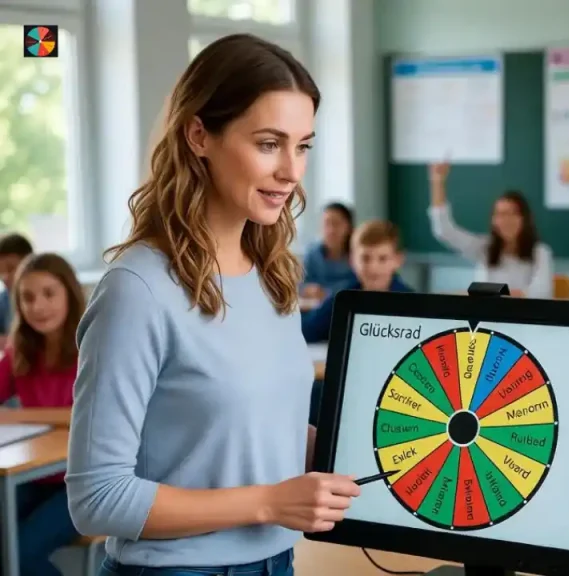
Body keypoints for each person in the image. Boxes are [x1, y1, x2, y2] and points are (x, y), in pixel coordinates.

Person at [66, 34, 360, 576]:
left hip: (276, 562)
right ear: (199, 134)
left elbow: (238, 427)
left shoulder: (272, 272)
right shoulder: (138, 288)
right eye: (269, 143)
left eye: (303, 146)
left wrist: (351, 444)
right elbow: (96, 499)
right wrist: (270, 501)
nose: (292, 171)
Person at [0, 253, 84, 576]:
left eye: (49, 294)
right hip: (36, 477)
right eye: (28, 298)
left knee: (18, 553)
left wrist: (17, 417)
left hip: (84, 481)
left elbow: (86, 416)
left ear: (70, 295)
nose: (38, 306)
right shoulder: (20, 351)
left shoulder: (92, 347)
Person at [427, 161, 553, 298]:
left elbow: (541, 292)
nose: (505, 220)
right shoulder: (485, 248)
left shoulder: (540, 252)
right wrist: (437, 181)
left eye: (511, 213)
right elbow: (444, 231)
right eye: (499, 214)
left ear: (524, 218)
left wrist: (494, 295)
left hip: (521, 317)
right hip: (486, 317)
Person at [301, 219, 413, 343]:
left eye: (383, 258)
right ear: (352, 260)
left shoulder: (412, 303)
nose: (373, 267)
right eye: (365, 258)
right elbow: (306, 331)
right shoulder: (342, 299)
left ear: (398, 260)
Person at [301, 202, 354, 298]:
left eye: (336, 224)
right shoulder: (312, 254)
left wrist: (327, 292)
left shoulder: (358, 255)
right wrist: (308, 290)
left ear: (349, 226)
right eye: (326, 223)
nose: (331, 230)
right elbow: (299, 285)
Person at [0, 233, 34, 348]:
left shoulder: (40, 300)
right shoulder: (3, 299)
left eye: (11, 268)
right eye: (0, 271)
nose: (4, 276)